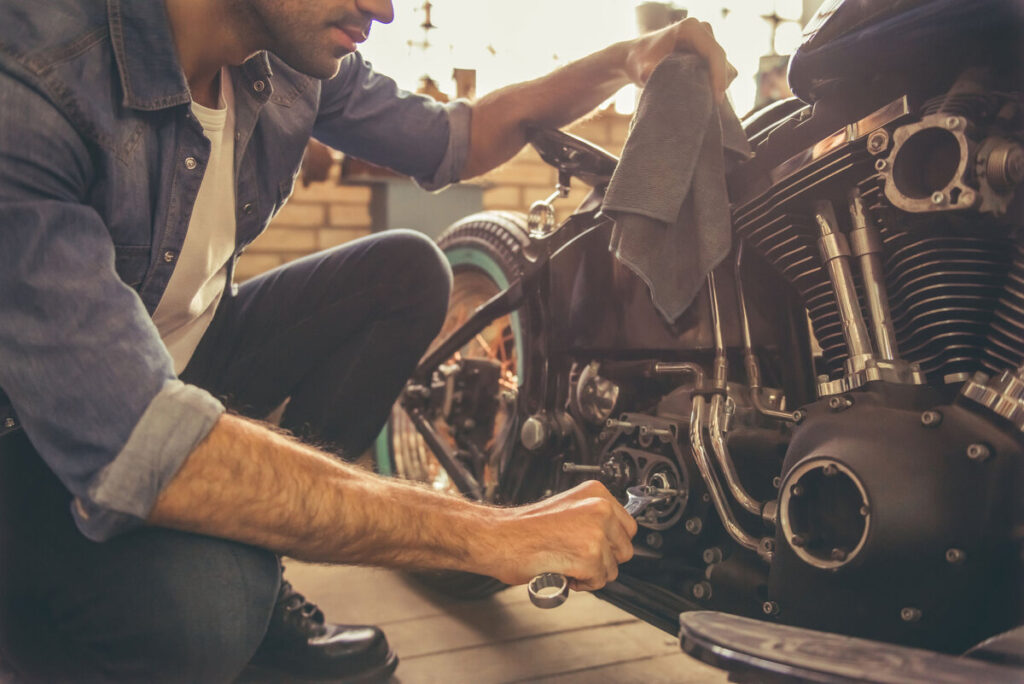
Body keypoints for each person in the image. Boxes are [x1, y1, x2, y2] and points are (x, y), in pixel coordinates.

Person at [0, 0, 734, 681]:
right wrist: (492, 533)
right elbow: (138, 438)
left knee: (408, 270)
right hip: (35, 433)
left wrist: (631, 58)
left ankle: (247, 534)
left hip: (182, 361)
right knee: (211, 613)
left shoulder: (281, 54)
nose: (384, 8)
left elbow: (459, 137)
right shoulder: (33, 82)